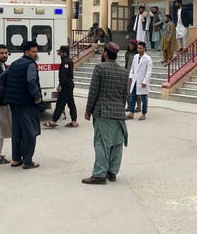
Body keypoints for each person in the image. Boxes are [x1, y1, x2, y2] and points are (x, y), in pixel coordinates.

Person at [82, 42, 128, 185]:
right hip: (119, 113)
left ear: (105, 54)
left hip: (103, 112)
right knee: (116, 143)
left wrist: (88, 110)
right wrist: (120, 108)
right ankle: (112, 172)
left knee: (102, 143)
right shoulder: (124, 72)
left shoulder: (100, 68)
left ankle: (99, 174)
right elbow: (125, 95)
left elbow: (93, 91)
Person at [0, 41, 42, 169]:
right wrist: (37, 97)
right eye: (34, 51)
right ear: (27, 52)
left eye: (36, 51)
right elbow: (31, 80)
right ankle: (27, 161)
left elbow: (2, 77)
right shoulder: (30, 65)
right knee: (31, 131)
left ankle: (16, 159)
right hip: (27, 103)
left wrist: (5, 94)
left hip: (14, 103)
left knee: (17, 131)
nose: (36, 54)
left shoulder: (15, 63)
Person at [44, 45, 78, 129]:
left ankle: (53, 121)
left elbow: (64, 75)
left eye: (60, 52)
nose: (59, 54)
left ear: (64, 53)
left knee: (60, 103)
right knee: (71, 103)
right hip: (69, 84)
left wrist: (60, 85)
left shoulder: (65, 62)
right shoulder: (68, 60)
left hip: (66, 85)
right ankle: (74, 121)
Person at [127, 41, 152, 120]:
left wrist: (145, 81)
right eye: (138, 48)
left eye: (140, 48)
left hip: (142, 81)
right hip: (135, 80)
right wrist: (131, 76)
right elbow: (132, 68)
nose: (139, 49)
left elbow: (149, 71)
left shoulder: (148, 59)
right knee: (132, 96)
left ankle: (144, 114)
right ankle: (131, 113)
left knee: (144, 98)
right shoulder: (135, 57)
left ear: (144, 48)